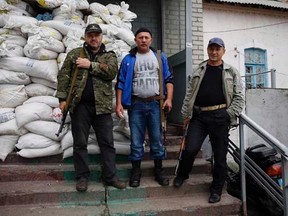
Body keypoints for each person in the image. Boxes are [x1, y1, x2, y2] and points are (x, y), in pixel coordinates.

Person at [56, 23, 126, 192]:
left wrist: (90, 65)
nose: (94, 38)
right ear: (85, 37)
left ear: (101, 37)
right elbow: (64, 77)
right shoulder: (74, 54)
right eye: (90, 35)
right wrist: (62, 99)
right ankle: (82, 177)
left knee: (107, 143)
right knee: (80, 143)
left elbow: (111, 72)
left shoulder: (109, 55)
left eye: (97, 35)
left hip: (102, 107)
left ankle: (110, 176)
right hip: (80, 106)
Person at [173, 37, 244, 203]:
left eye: (217, 49)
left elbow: (240, 97)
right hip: (199, 116)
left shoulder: (231, 71)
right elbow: (189, 95)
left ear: (223, 51)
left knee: (220, 156)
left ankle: (216, 189)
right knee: (190, 149)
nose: (214, 52)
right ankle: (182, 174)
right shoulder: (200, 69)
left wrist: (229, 114)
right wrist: (186, 115)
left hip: (220, 116)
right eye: (211, 49)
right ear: (207, 50)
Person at [115, 27, 174, 187]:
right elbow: (120, 82)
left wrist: (169, 99)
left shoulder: (160, 57)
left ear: (151, 40)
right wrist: (119, 103)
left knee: (156, 140)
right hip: (136, 105)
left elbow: (169, 79)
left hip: (155, 104)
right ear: (135, 40)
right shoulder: (129, 59)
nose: (143, 40)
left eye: (146, 37)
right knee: (136, 141)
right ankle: (136, 173)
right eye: (140, 37)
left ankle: (159, 171)